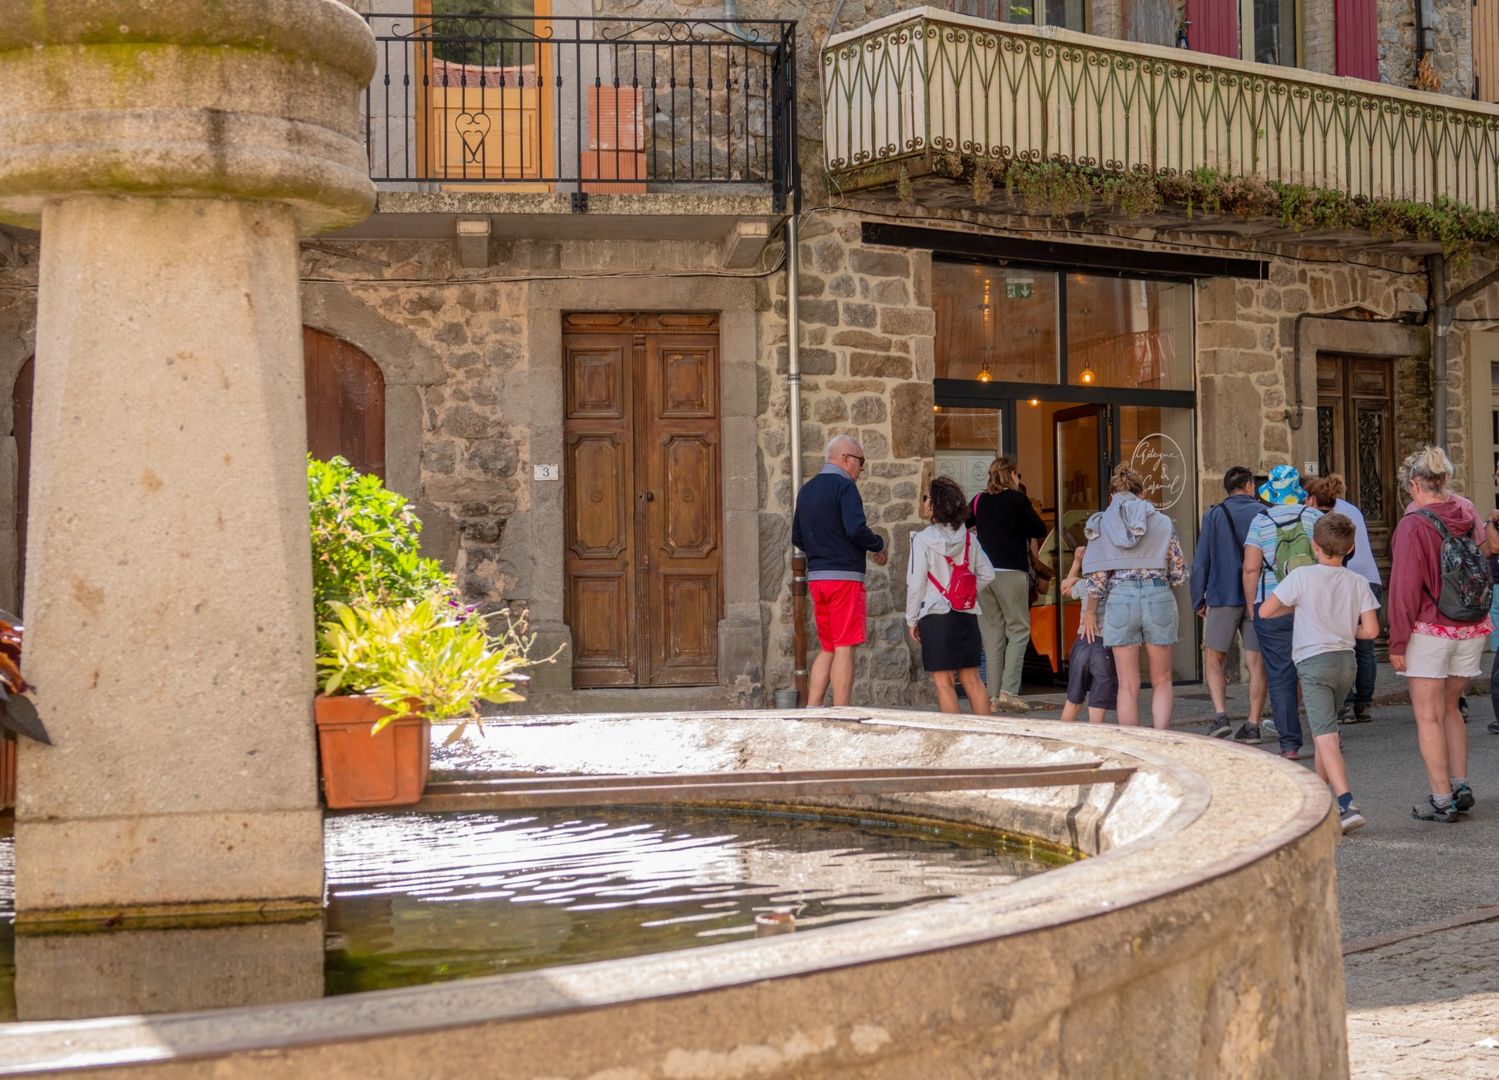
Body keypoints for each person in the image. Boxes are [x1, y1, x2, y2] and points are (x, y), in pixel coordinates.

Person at [1386, 446, 1494, 823]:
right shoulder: (1466, 511)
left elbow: (1404, 589)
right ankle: (1460, 785)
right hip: (1471, 624)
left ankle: (1441, 798)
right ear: (1444, 480)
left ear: (1415, 484)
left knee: (1428, 715)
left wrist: (1397, 640)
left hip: (1431, 627)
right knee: (1451, 707)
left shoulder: (1413, 524)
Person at [1258, 513, 1380, 834]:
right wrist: (1343, 627)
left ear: (1314, 545)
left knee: (1326, 736)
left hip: (1313, 663)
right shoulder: (1358, 582)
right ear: (1351, 548)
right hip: (1346, 663)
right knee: (1324, 731)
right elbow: (1371, 630)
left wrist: (1299, 607)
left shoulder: (1302, 577)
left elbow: (1265, 611)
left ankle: (1346, 803)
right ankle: (1318, 804)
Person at [1081, 463, 1185, 730]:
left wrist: (1090, 612)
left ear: (1111, 497)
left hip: (1120, 598)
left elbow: (1097, 579)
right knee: (1162, 679)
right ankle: (1161, 738)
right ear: (1142, 493)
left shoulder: (1102, 524)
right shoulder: (1162, 522)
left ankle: (1134, 742)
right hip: (1158, 593)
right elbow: (1178, 571)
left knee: (1127, 684)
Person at [791, 435, 888, 707]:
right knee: (845, 647)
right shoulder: (845, 486)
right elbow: (856, 529)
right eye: (860, 461)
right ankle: (841, 713)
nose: (861, 469)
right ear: (846, 459)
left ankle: (812, 709)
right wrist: (878, 544)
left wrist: (821, 549)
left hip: (817, 578)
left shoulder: (807, 490)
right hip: (845, 578)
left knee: (828, 647)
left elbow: (797, 537)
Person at [1242, 465, 1323, 761]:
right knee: (1316, 670)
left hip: (1273, 605)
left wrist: (1253, 606)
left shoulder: (1260, 522)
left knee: (1280, 674)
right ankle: (1327, 735)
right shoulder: (1314, 517)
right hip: (1312, 606)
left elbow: (1251, 569)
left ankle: (1289, 744)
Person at [1190, 465, 1269, 741]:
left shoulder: (1214, 515)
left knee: (1214, 657)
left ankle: (1220, 715)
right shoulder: (1264, 513)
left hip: (1223, 594)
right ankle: (1253, 723)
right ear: (1249, 486)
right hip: (1257, 596)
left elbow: (1201, 561)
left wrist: (1197, 598)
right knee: (1256, 662)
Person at [907, 477, 996, 714]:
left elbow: (915, 584)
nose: (924, 502)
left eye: (926, 498)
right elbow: (988, 574)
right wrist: (966, 593)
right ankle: (988, 731)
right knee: (973, 680)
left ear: (934, 504)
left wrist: (912, 620)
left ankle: (955, 733)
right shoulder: (969, 538)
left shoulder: (922, 540)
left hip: (936, 616)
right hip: (966, 613)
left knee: (944, 683)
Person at [969, 456, 1048, 713]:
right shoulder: (1017, 500)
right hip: (1011, 572)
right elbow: (1039, 529)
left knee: (992, 636)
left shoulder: (979, 500)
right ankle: (1009, 691)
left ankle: (993, 698)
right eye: (1018, 475)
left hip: (983, 576)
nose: (1019, 478)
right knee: (1018, 629)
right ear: (1011, 474)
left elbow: (962, 524)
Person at [1304, 474, 1383, 724]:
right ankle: (1364, 704)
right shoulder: (1351, 509)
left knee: (1342, 642)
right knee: (1366, 647)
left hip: (1343, 580)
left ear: (1312, 498)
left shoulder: (1319, 518)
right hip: (1370, 578)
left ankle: (1345, 704)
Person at [1058, 544, 1116, 724]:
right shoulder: (1118, 585)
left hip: (1082, 642)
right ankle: (1094, 736)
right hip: (1104, 644)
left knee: (1073, 700)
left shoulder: (1086, 585)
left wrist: (1076, 563)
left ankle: (1061, 736)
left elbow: (1064, 588)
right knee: (1097, 703)